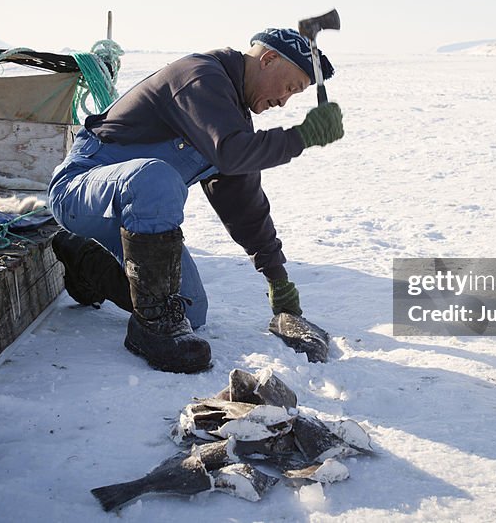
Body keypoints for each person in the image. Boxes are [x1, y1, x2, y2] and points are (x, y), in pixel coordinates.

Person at [48, 28, 343, 373]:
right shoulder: (200, 77)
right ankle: (152, 330)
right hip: (80, 192)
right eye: (290, 87)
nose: (284, 101)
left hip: (135, 222)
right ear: (268, 59)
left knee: (189, 311)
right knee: (155, 176)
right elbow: (232, 154)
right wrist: (302, 136)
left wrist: (277, 280)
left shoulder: (232, 121)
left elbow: (245, 208)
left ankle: (87, 263)